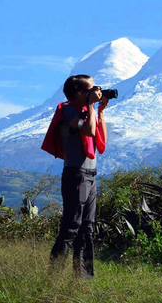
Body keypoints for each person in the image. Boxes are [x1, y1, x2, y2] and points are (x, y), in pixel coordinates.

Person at [42, 74, 108, 279]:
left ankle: (82, 279)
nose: (95, 92)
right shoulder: (67, 109)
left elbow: (101, 140)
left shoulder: (85, 110)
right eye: (91, 90)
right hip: (76, 174)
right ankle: (53, 277)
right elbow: (88, 131)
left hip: (91, 173)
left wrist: (100, 110)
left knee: (87, 228)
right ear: (79, 93)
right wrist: (89, 106)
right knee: (71, 226)